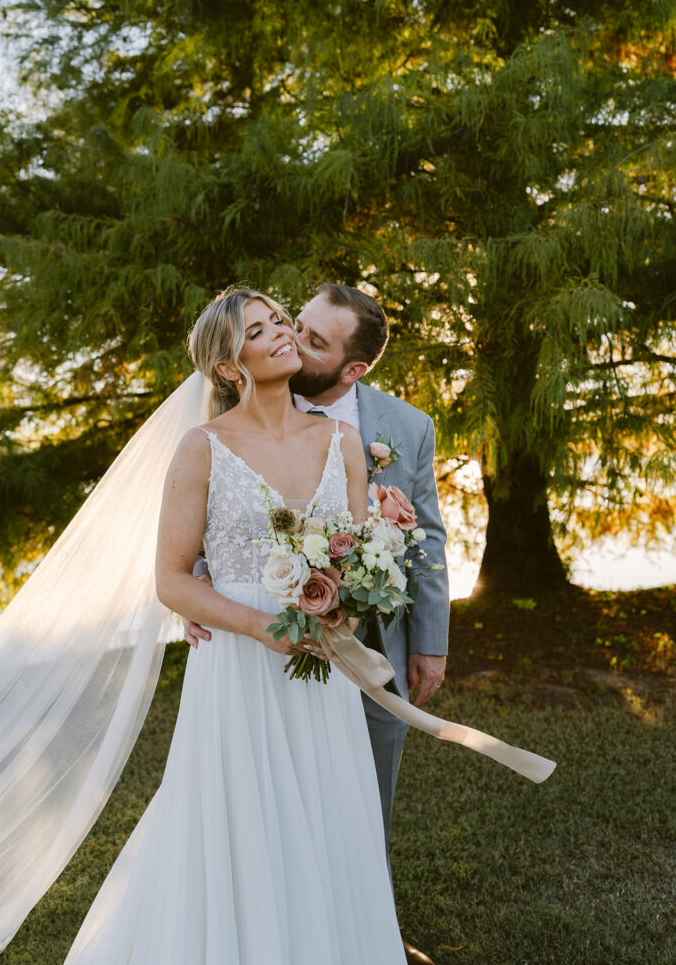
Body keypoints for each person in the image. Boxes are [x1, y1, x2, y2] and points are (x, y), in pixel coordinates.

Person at [56, 288, 407, 964]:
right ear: (227, 367)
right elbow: (172, 578)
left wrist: (342, 603)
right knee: (241, 825)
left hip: (321, 673)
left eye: (280, 320)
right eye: (259, 329)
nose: (281, 332)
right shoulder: (203, 448)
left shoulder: (344, 441)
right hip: (239, 670)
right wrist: (255, 623)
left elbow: (363, 561)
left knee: (327, 820)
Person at [185, 283, 450, 965]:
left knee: (356, 799)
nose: (292, 340)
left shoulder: (399, 428)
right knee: (254, 804)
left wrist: (429, 643)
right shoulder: (217, 430)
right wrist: (208, 587)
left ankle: (359, 927)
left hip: (362, 646)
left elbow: (426, 542)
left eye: (312, 339)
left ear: (352, 369)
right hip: (251, 655)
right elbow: (193, 545)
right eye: (288, 324)